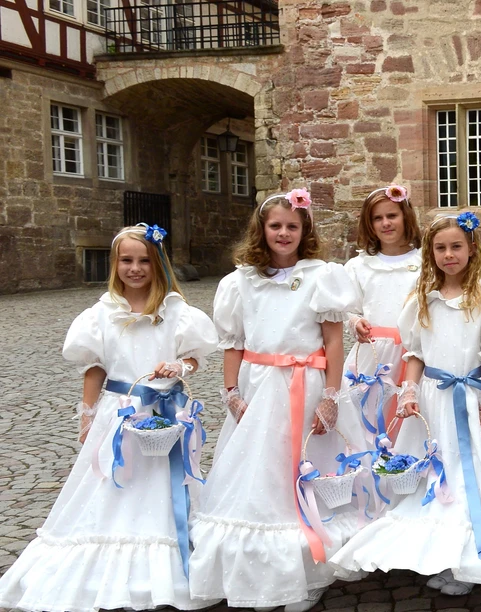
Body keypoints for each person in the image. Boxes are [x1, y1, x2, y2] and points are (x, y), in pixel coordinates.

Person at [0, 224, 218, 612]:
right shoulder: (102, 314)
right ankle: (101, 564)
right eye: (126, 260)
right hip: (118, 415)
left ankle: (167, 563)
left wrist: (179, 367)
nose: (135, 269)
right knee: (113, 483)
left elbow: (194, 357)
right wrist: (87, 415)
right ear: (115, 264)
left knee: (162, 488)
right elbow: (96, 368)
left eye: (144, 261)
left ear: (158, 265)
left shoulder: (175, 311)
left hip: (164, 419)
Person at [330, 212, 481, 596]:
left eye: (456, 247)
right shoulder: (423, 296)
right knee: (432, 477)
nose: (449, 255)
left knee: (468, 475)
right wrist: (410, 390)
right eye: (440, 248)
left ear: (472, 249)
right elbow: (415, 353)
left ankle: (466, 556)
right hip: (431, 400)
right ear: (430, 252)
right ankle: (431, 550)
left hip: (467, 399)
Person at [191, 189, 361, 611]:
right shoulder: (241, 282)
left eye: (292, 226)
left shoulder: (322, 276)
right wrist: (231, 392)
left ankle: (308, 572)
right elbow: (234, 342)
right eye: (275, 226)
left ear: (304, 231)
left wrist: (332, 396)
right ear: (261, 230)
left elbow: (334, 344)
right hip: (260, 387)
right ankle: (263, 574)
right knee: (260, 477)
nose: (283, 233)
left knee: (305, 474)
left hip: (307, 386)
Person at [343, 184, 421, 451]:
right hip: (373, 355)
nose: (386, 223)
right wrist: (354, 322)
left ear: (406, 217)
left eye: (392, 216)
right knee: (368, 421)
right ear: (369, 224)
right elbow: (348, 308)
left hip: (412, 355)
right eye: (378, 218)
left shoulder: (423, 262)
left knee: (407, 422)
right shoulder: (359, 266)